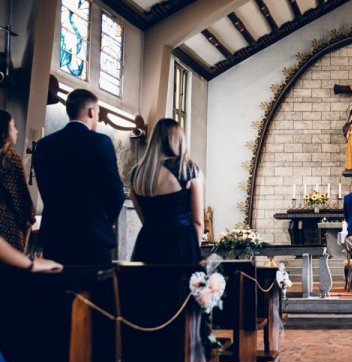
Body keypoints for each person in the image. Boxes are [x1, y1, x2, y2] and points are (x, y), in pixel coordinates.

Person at [34, 89, 125, 266]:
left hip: (56, 236)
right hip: (92, 238)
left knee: (57, 291)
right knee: (92, 291)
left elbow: (45, 189)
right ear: (91, 111)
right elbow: (116, 194)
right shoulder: (100, 142)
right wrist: (101, 222)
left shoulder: (44, 145)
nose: (97, 118)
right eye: (97, 113)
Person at [130, 118, 203, 264]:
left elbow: (144, 218)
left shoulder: (137, 173)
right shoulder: (188, 170)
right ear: (179, 140)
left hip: (148, 244)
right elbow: (198, 222)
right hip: (181, 246)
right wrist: (194, 251)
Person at [0, 110, 36, 252]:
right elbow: (22, 200)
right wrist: (29, 218)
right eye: (13, 126)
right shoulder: (9, 159)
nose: (17, 130)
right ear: (5, 130)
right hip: (6, 229)